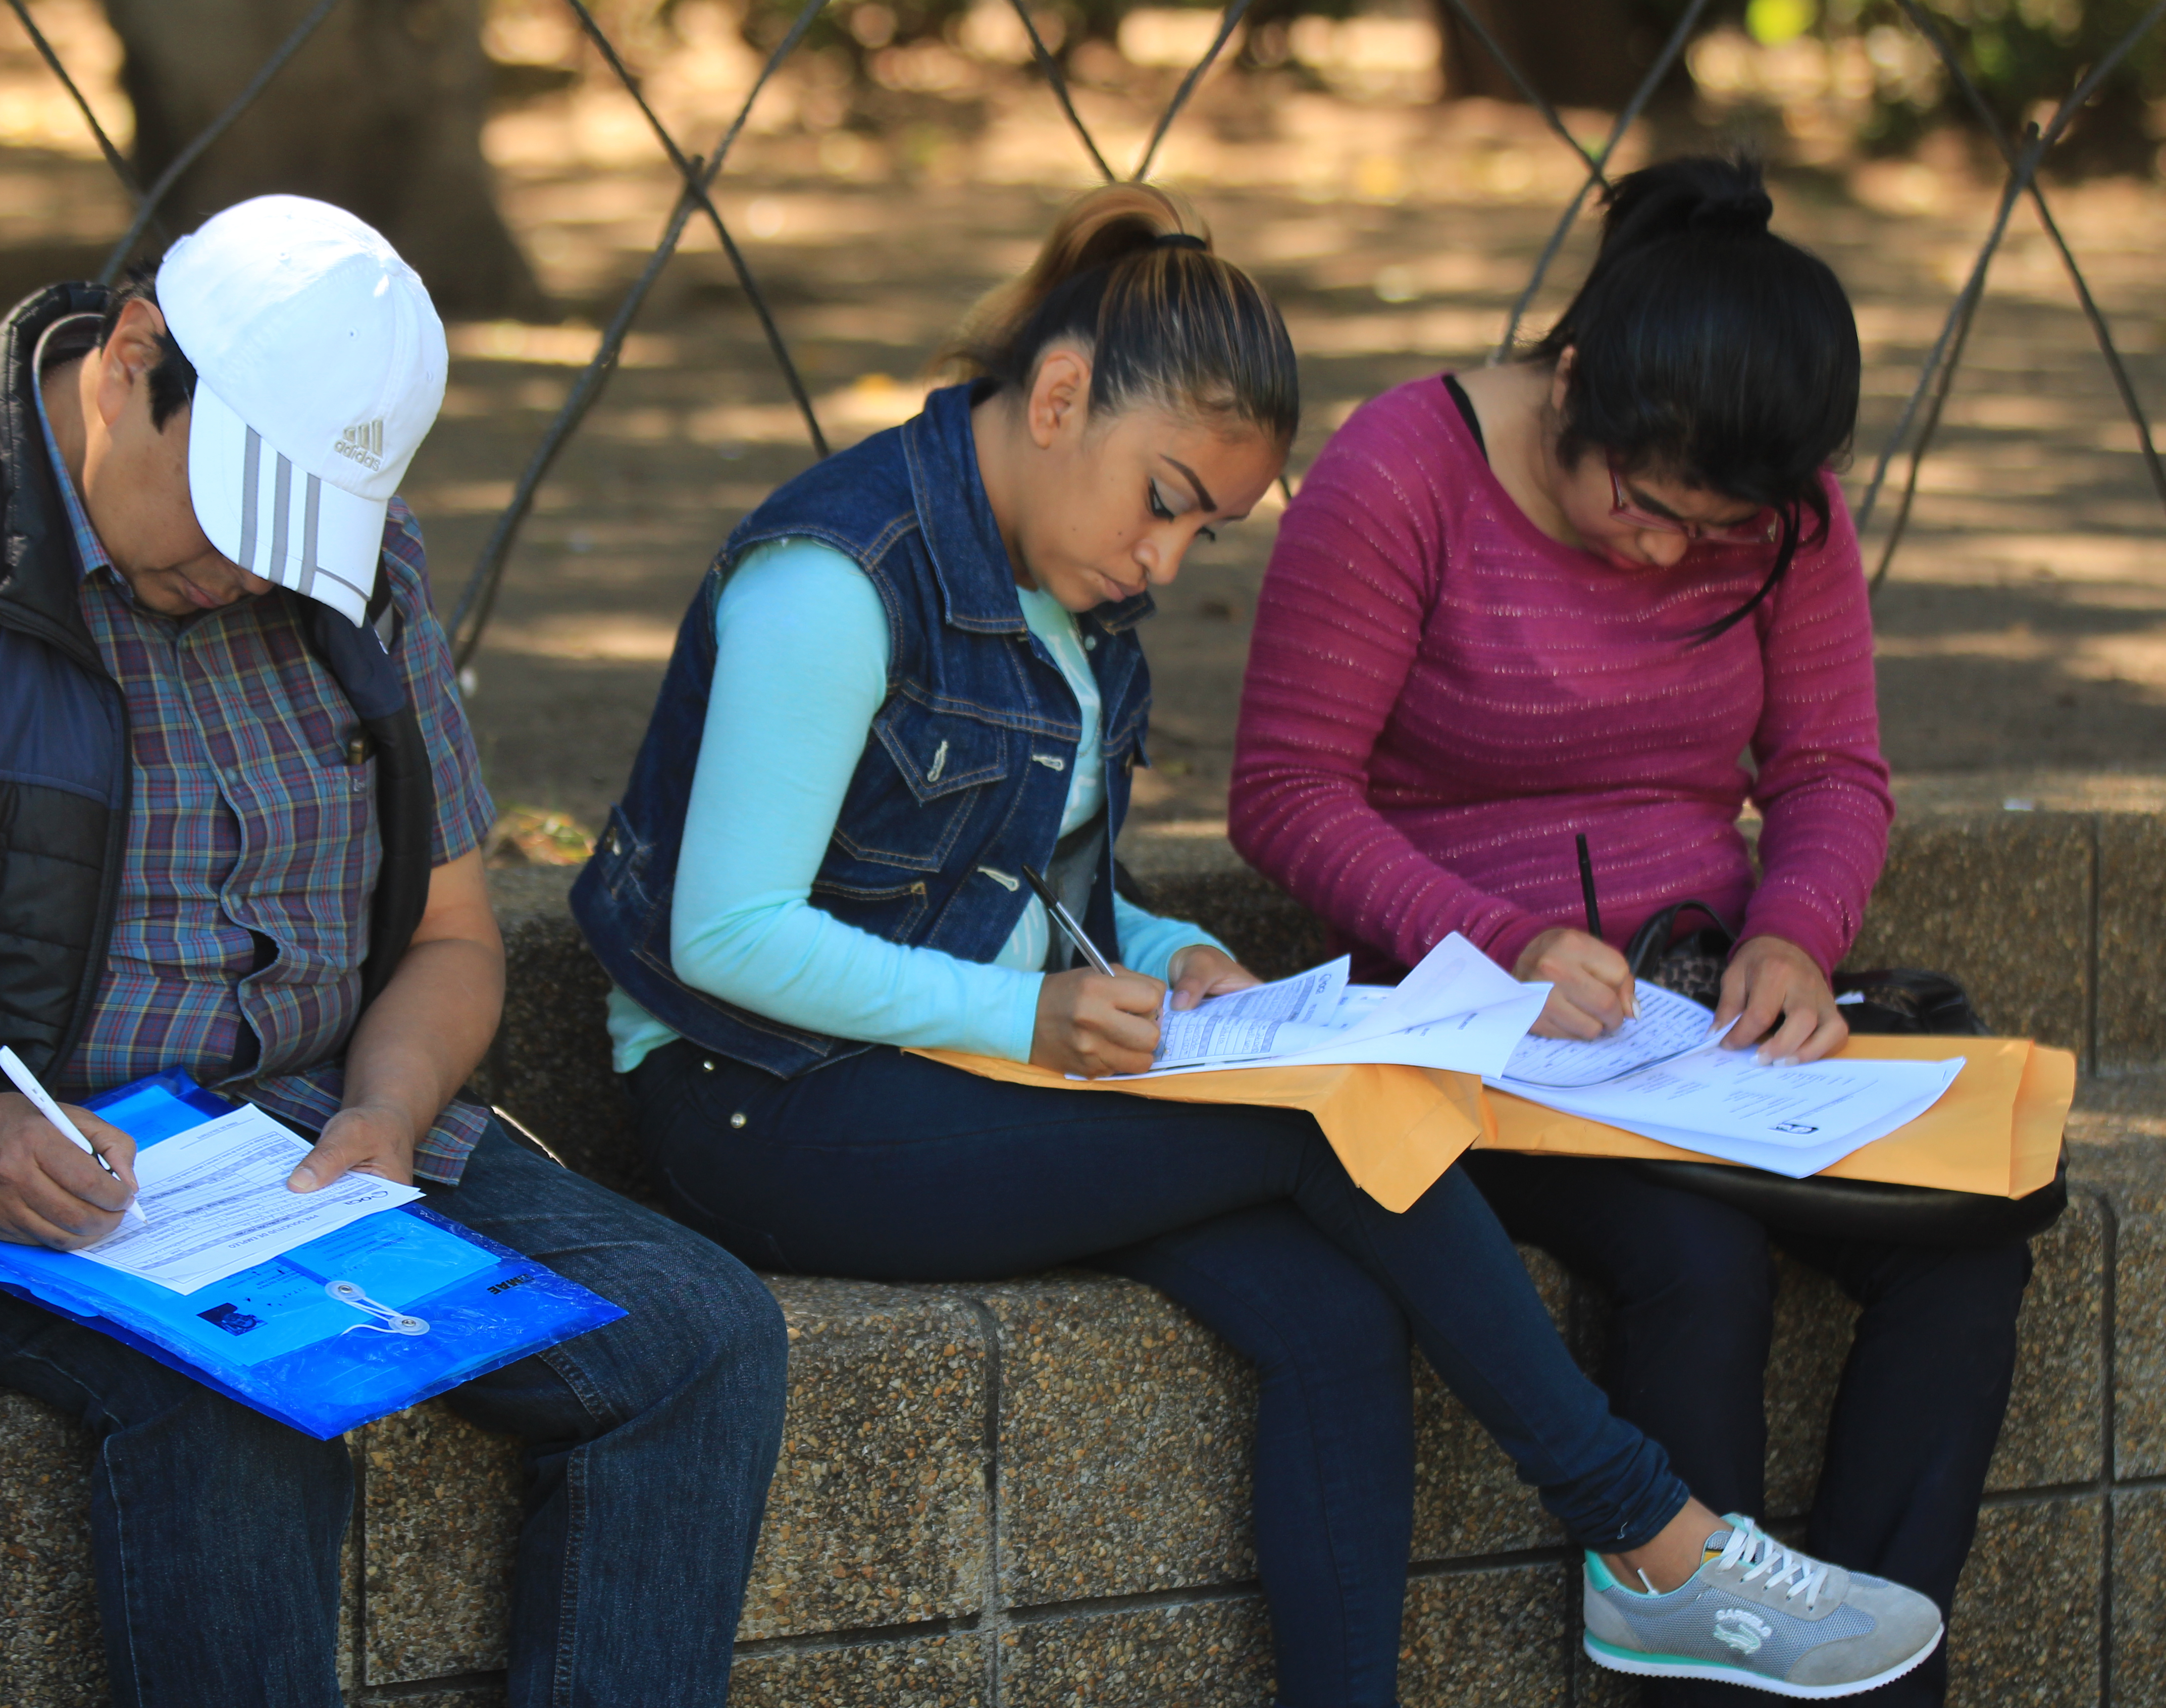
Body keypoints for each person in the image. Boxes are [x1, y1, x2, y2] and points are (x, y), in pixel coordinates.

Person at [572, 179, 1940, 1705]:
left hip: (944, 1070)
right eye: (1163, 502)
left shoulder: (1066, 594)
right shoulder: (836, 576)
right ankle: (1650, 1539)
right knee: (1316, 1128)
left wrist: (1174, 952)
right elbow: (729, 936)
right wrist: (1027, 1020)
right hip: (760, 1098)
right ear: (1059, 399)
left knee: (1333, 1312)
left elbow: (1039, 887)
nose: (1167, 562)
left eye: (1203, 529)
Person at [0, 195, 789, 1708]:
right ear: (130, 359)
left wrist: (389, 1111)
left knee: (702, 1338)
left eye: (294, 535)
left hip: (298, 1142)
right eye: (237, 512)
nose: (250, 570)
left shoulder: (359, 569)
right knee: (234, 1405)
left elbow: (449, 931)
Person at [1229, 156, 2028, 1708]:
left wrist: (1794, 936)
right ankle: (1708, 1666)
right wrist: (1498, 941)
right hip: (1478, 1034)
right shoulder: (1404, 474)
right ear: (1573, 380)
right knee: (1695, 1258)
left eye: (1711, 531)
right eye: (1646, 507)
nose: (1665, 554)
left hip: (1706, 1025)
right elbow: (1284, 791)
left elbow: (1828, 768)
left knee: (1967, 1238)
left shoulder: (1784, 516)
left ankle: (1871, 1676)